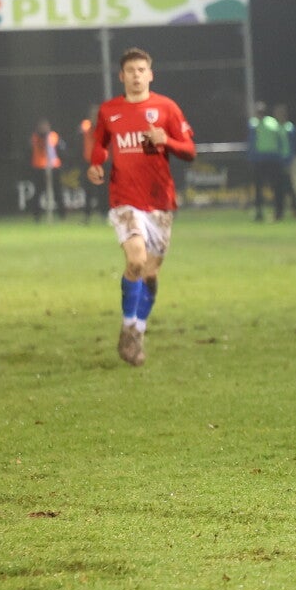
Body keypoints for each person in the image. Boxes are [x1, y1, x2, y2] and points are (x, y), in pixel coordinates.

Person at [85, 48, 196, 366]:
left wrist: (166, 141)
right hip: (124, 199)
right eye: (131, 70)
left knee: (150, 272)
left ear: (150, 75)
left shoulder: (166, 108)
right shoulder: (110, 110)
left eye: (141, 69)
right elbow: (100, 144)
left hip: (159, 201)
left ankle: (139, 329)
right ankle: (128, 326)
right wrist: (96, 165)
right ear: (122, 76)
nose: (136, 75)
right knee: (135, 260)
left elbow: (189, 151)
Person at [246, 102, 285, 221]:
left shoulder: (255, 124)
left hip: (264, 159)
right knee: (271, 187)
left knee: (265, 187)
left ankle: (265, 212)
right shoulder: (272, 122)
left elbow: (252, 142)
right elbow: (280, 141)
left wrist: (250, 157)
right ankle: (274, 212)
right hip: (270, 158)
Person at [29, 120, 65, 221]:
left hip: (53, 167)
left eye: (45, 126)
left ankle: (62, 214)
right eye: (41, 127)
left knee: (57, 191)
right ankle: (36, 215)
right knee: (38, 192)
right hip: (39, 167)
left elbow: (61, 148)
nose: (43, 128)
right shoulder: (35, 137)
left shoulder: (54, 136)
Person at [271, 104, 296, 220]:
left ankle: (295, 208)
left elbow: (292, 145)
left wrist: (289, 160)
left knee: (288, 186)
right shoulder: (275, 127)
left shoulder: (289, 127)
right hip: (276, 160)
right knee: (277, 187)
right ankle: (279, 212)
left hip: (285, 160)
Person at [76, 115, 107, 221]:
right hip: (88, 162)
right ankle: (87, 214)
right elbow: (79, 137)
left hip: (101, 162)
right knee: (88, 189)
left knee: (102, 189)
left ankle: (104, 212)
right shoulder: (85, 126)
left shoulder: (103, 126)